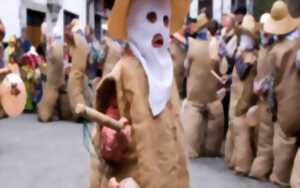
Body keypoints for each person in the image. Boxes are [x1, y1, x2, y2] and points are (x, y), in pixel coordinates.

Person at [90, 0, 190, 187]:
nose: (160, 27)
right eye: (151, 18)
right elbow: (107, 134)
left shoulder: (166, 71)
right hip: (138, 179)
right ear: (134, 21)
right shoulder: (124, 72)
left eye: (165, 20)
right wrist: (114, 137)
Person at [262, 1, 300, 186]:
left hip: (287, 108)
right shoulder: (297, 46)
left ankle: (282, 179)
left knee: (284, 143)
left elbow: (271, 84)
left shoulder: (276, 51)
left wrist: (271, 108)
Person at [181, 14, 224, 157]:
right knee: (214, 124)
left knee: (192, 124)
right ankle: (211, 149)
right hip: (212, 94)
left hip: (195, 93)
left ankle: (192, 150)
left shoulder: (192, 44)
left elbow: (186, 67)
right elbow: (222, 69)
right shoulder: (218, 46)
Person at [225, 15, 259, 175]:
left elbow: (247, 85)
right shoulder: (244, 56)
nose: (243, 39)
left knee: (240, 131)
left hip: (241, 101)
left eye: (246, 36)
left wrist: (243, 105)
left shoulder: (251, 58)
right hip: (235, 97)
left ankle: (242, 165)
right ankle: (233, 161)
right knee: (235, 130)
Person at [249, 13, 276, 180]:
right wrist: (256, 83)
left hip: (268, 100)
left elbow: (274, 74)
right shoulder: (263, 50)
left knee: (266, 138)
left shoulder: (274, 49)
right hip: (260, 99)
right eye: (262, 30)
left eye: (267, 30)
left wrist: (263, 85)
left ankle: (261, 170)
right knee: (261, 135)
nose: (264, 33)